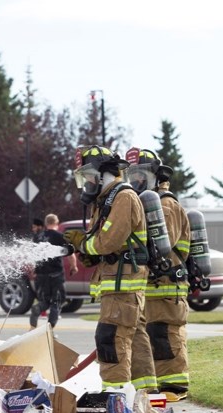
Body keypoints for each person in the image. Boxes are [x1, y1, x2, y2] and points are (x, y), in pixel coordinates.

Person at [63, 145, 154, 391]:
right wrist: (86, 252)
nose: (88, 181)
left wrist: (82, 243)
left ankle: (115, 395)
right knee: (131, 339)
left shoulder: (123, 197)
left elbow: (108, 240)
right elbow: (103, 243)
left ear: (105, 172)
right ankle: (143, 394)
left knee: (110, 338)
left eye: (90, 175)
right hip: (116, 283)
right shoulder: (106, 201)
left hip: (123, 285)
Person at [125, 148, 191, 398]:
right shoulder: (147, 205)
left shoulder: (166, 205)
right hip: (152, 283)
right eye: (132, 175)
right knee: (152, 335)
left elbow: (165, 241)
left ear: (156, 176)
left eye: (141, 174)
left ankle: (175, 386)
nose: (136, 181)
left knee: (166, 334)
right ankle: (156, 388)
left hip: (167, 284)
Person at [30, 213, 78, 330]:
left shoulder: (38, 237)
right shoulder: (59, 236)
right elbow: (70, 253)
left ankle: (37, 311)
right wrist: (74, 266)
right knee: (57, 301)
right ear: (57, 223)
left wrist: (34, 270)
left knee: (45, 301)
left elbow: (32, 255)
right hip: (56, 275)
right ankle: (49, 329)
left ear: (46, 224)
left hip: (41, 275)